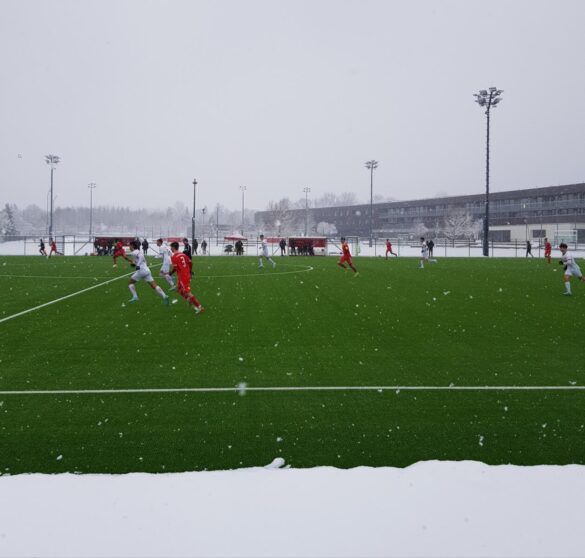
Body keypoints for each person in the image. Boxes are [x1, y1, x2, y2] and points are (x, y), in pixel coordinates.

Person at [127, 240, 169, 305]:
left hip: (141, 271)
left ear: (132, 246)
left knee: (130, 282)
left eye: (129, 245)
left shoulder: (135, 252)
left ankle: (135, 296)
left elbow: (141, 257)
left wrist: (137, 265)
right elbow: (141, 260)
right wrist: (134, 264)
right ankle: (164, 295)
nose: (129, 247)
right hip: (147, 270)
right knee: (154, 285)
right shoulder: (137, 252)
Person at [170, 241, 204, 313]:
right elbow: (190, 263)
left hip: (183, 276)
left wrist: (170, 273)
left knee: (187, 292)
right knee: (178, 289)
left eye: (171, 247)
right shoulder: (183, 255)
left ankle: (199, 307)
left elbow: (175, 268)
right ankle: (189, 299)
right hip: (186, 274)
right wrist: (190, 271)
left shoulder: (173, 257)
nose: (170, 248)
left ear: (173, 247)